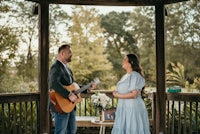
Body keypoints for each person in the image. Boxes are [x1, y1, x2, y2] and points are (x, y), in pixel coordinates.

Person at [49, 44, 96, 134]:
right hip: (60, 105)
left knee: (72, 131)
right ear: (62, 53)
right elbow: (54, 83)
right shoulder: (56, 67)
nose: (72, 54)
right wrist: (68, 94)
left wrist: (87, 88)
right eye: (69, 52)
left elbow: (73, 86)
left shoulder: (68, 69)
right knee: (61, 132)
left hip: (70, 106)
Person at [111, 54, 150, 134]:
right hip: (124, 108)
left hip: (132, 108)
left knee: (133, 129)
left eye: (125, 60)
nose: (122, 61)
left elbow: (134, 94)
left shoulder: (135, 75)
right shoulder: (125, 76)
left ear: (130, 62)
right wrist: (117, 92)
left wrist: (118, 95)